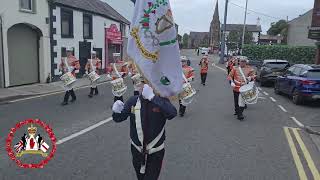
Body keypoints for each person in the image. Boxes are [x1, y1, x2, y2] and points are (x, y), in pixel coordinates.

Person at [112, 83, 177, 180]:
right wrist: (116, 111)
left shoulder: (160, 100)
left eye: (145, 83)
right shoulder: (133, 101)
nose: (142, 86)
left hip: (155, 150)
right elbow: (119, 118)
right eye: (141, 84)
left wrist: (152, 97)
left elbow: (172, 113)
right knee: (140, 177)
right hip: (137, 149)